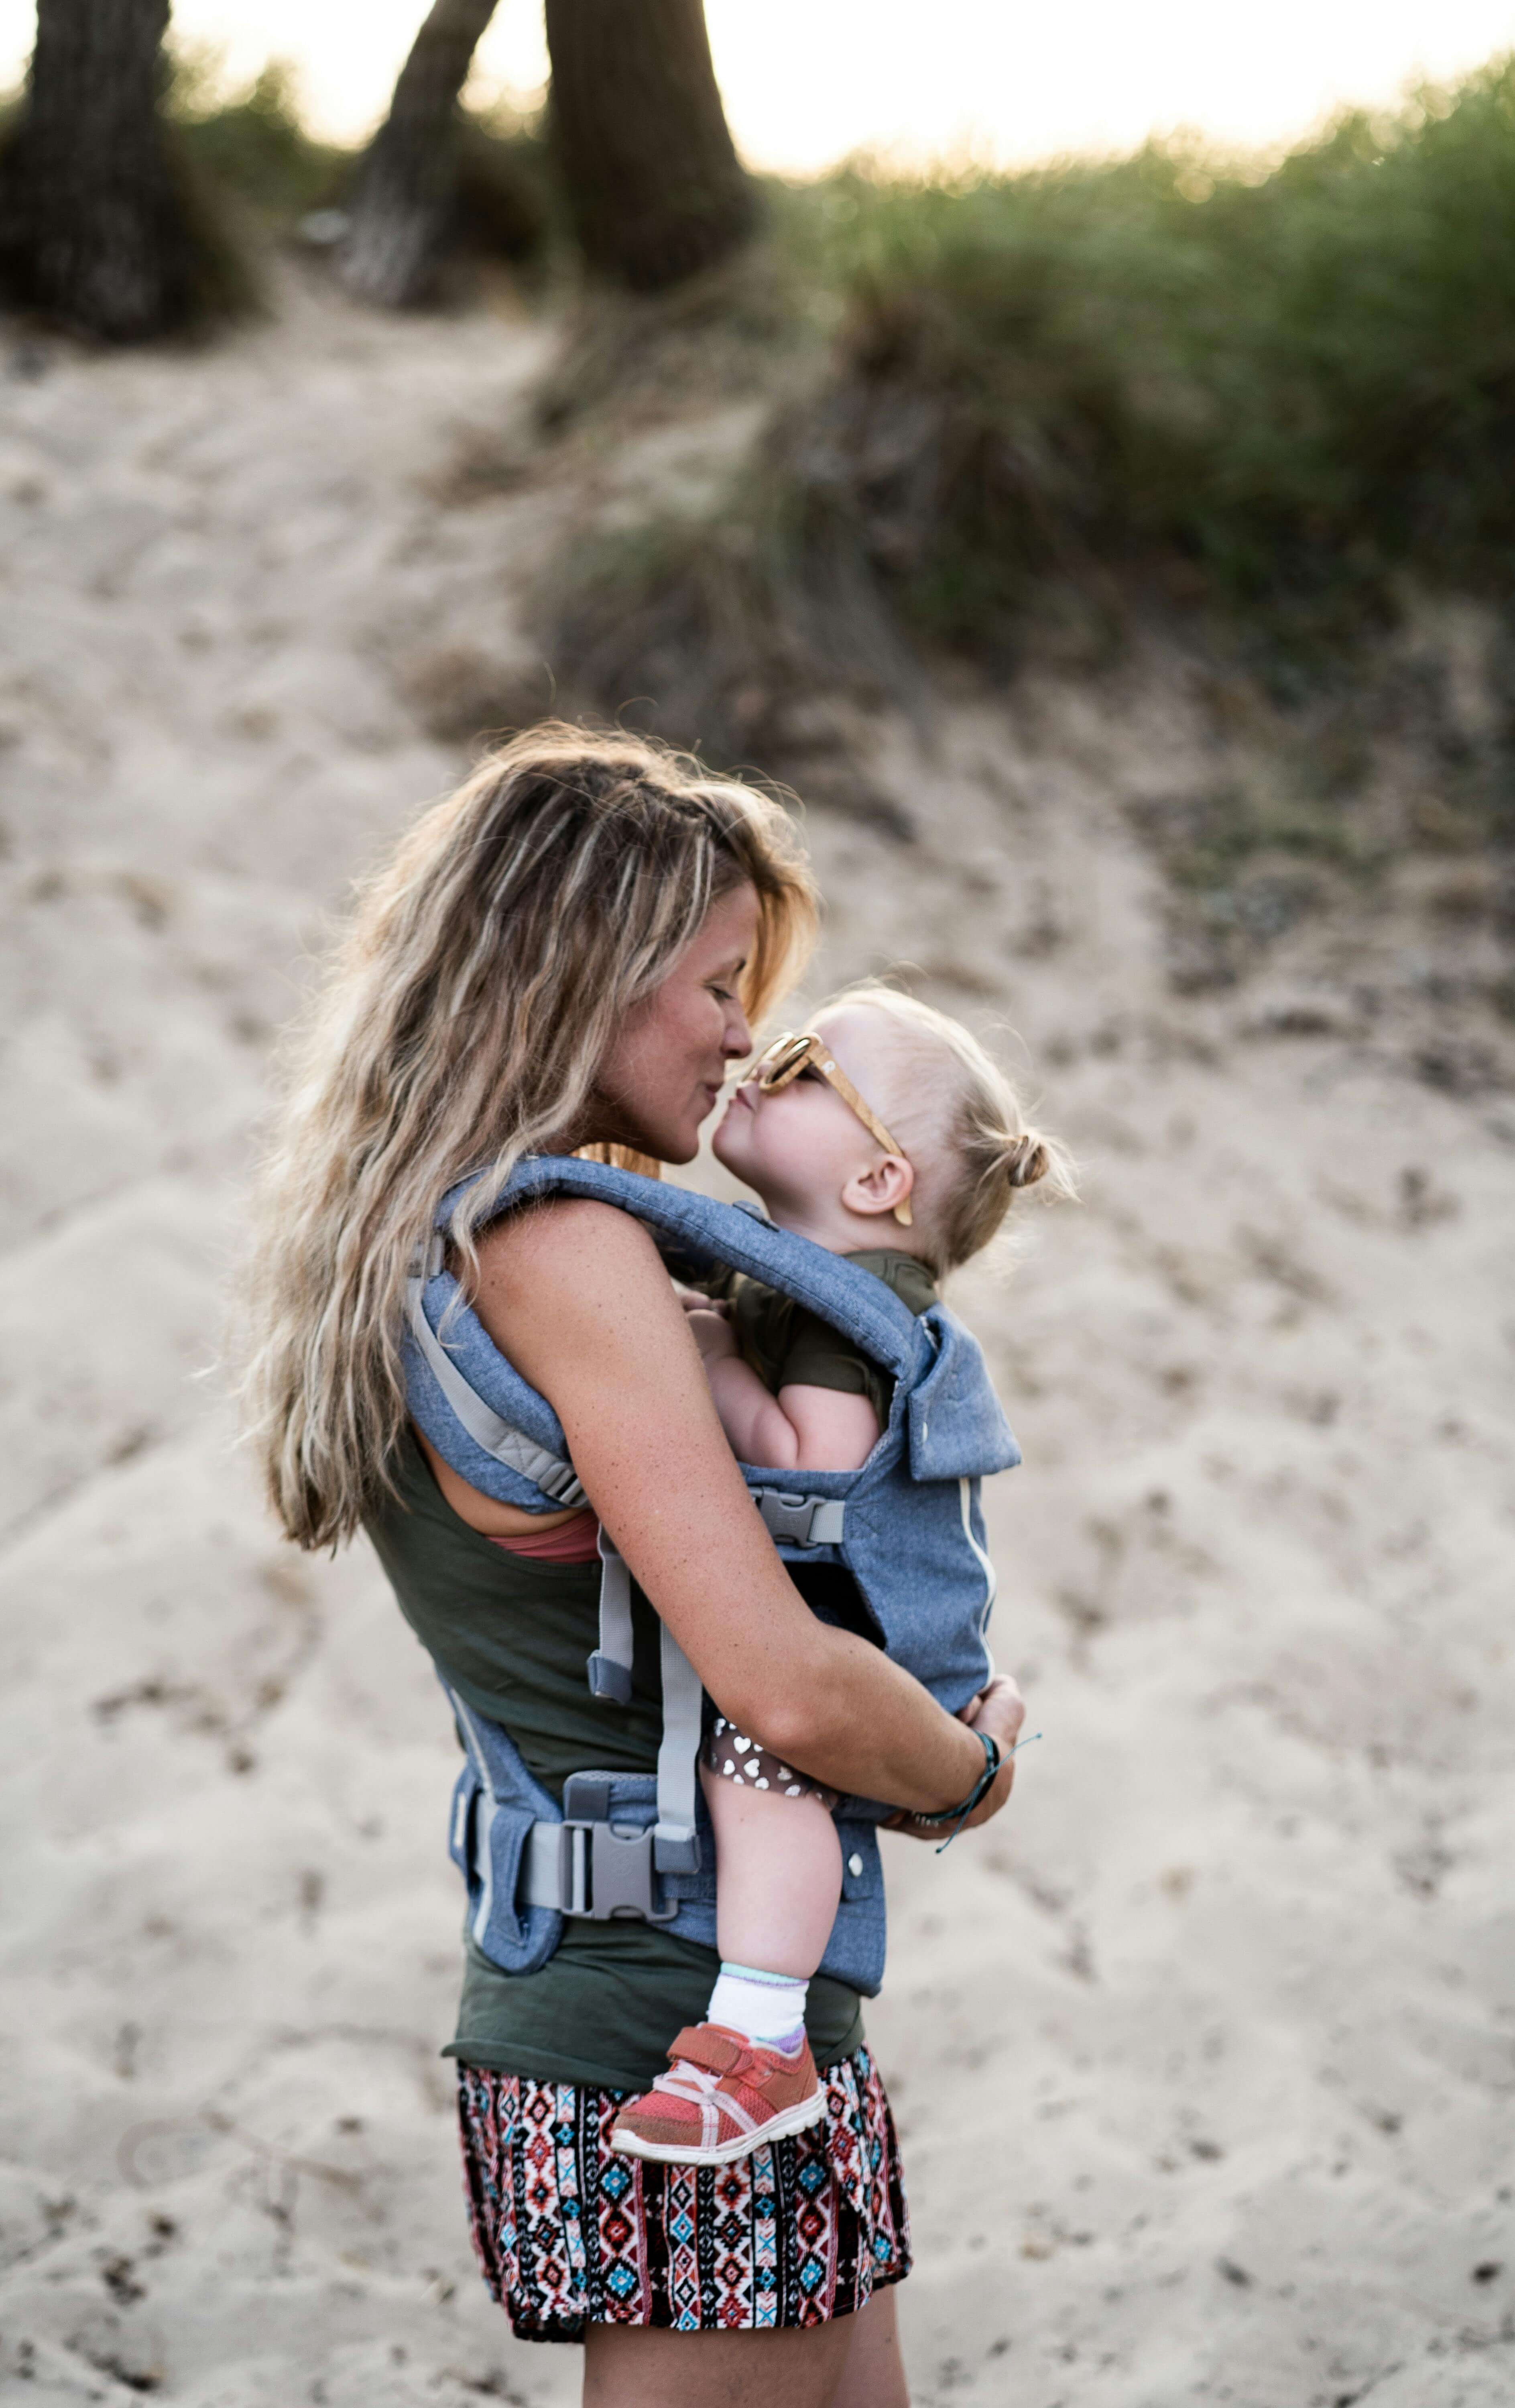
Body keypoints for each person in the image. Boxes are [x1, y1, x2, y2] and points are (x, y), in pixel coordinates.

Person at [241, 724, 1027, 2407]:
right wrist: (966, 1776)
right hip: (672, 2024)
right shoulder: (567, 1246)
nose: (746, 1036)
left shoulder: (435, 1225)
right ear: (583, 975)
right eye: (722, 985)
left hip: (651, 1994)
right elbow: (784, 1682)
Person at [610, 984, 1072, 2166]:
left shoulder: (846, 1310)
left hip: (870, 1626)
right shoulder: (804, 1277)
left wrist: (706, 1356)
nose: (765, 1058)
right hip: (865, 1607)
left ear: (875, 1185)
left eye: (809, 1063)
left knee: (764, 1761)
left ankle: (763, 2038)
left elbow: (820, 1465)